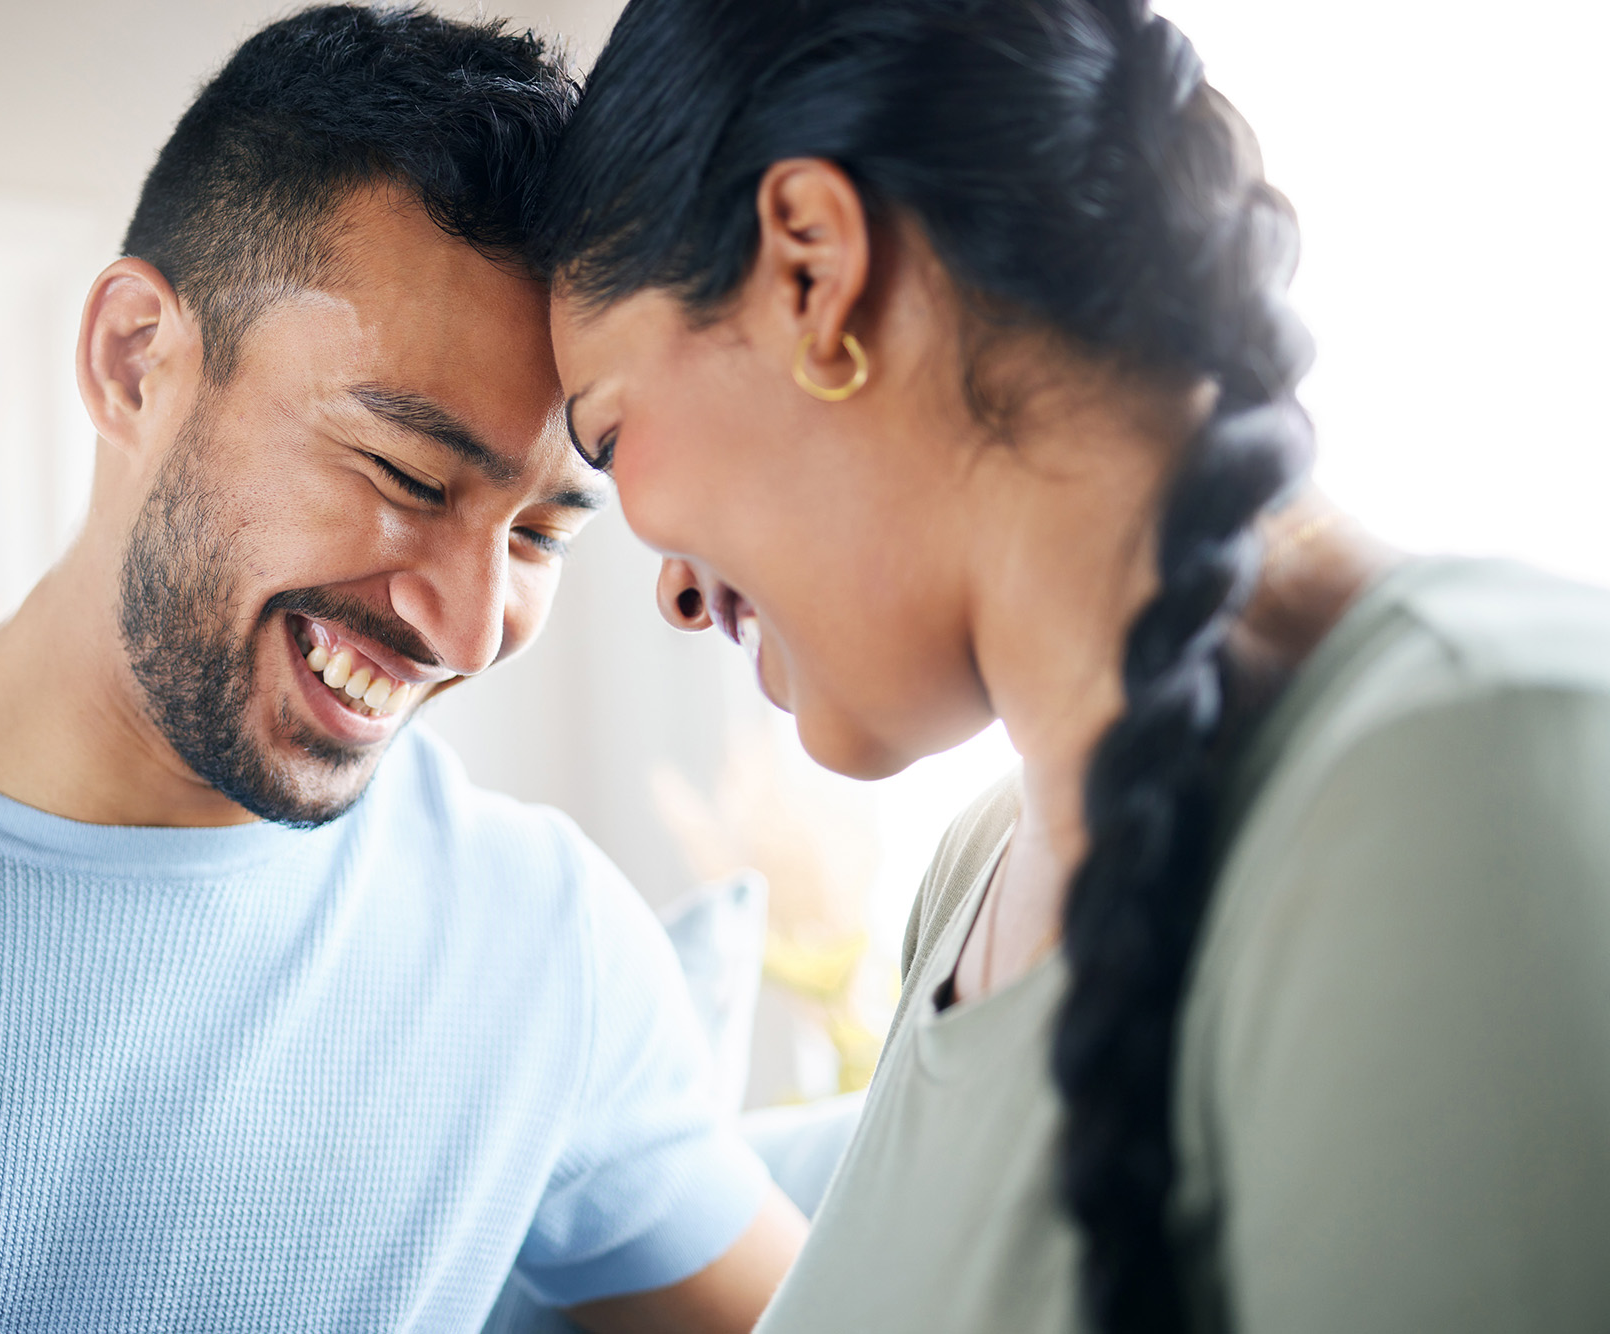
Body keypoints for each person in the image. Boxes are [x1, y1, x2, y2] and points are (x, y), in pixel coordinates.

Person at [0, 8, 804, 1330]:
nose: (469, 632)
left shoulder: (547, 947)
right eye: (406, 474)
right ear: (136, 362)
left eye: (537, 532)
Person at [537, 0, 1610, 1330]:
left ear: (811, 268)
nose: (674, 588)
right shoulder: (976, 879)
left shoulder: (1471, 781)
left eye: (612, 429)